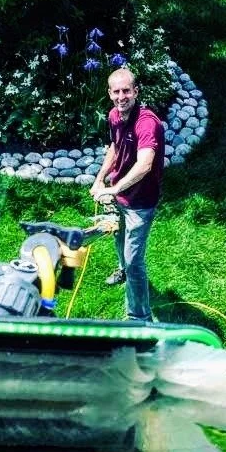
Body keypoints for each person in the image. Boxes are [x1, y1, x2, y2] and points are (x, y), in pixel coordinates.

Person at [90, 67, 165, 323]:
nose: (122, 97)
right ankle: (122, 270)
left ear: (136, 91)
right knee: (119, 239)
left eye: (126, 91)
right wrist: (100, 179)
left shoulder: (147, 123)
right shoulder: (114, 116)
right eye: (116, 92)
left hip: (140, 202)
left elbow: (145, 164)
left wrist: (114, 188)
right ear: (110, 93)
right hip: (119, 196)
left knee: (135, 262)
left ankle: (138, 318)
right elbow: (115, 147)